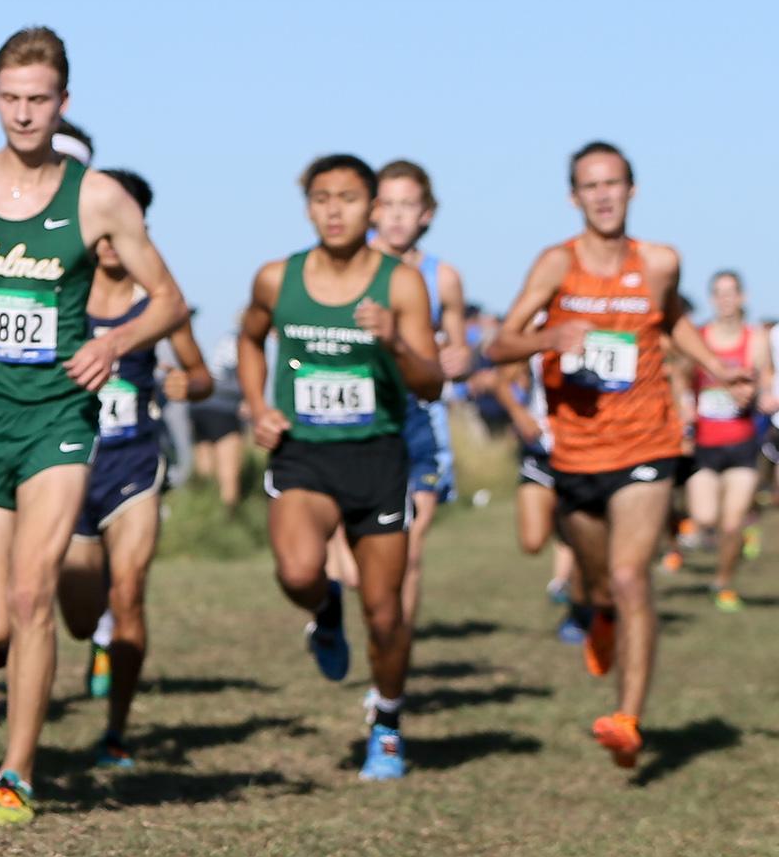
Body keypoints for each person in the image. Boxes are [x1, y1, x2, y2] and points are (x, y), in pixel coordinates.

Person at [0, 28, 188, 824]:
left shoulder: (97, 197)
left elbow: (168, 298)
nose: (25, 114)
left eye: (40, 100)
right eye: (13, 98)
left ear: (63, 104)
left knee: (32, 594)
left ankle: (16, 769)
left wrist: (115, 341)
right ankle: (22, 671)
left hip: (57, 416)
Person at [489, 142, 752, 770]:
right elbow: (500, 344)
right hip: (576, 451)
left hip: (645, 443)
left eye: (614, 184)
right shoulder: (556, 265)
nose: (603, 195)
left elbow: (672, 319)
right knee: (599, 581)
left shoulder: (659, 262)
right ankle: (595, 613)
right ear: (573, 197)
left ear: (632, 190)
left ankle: (627, 719)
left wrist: (719, 369)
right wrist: (552, 336)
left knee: (634, 577)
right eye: (590, 186)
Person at [239, 155, 443, 782]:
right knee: (298, 570)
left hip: (378, 456)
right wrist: (257, 406)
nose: (334, 210)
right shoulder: (279, 278)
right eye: (321, 197)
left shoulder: (400, 284)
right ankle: (324, 609)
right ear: (307, 206)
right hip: (305, 452)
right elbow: (249, 338)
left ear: (373, 207)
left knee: (384, 614)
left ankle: (386, 722)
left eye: (348, 198)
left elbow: (432, 383)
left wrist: (396, 341)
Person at [55, 170, 212, 766]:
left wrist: (188, 384)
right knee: (76, 611)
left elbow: (201, 375)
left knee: (130, 595)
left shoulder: (159, 302)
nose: (113, 245)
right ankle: (94, 639)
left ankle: (116, 731)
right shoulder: (63, 292)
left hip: (135, 464)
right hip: (69, 467)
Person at [369, 160, 473, 639]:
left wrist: (457, 359)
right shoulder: (351, 267)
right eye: (387, 205)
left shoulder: (443, 276)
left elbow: (460, 349)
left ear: (427, 213)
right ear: (371, 210)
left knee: (410, 549)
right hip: (362, 420)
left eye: (407, 205)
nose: (396, 216)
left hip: (423, 418)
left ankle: (394, 656)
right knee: (360, 563)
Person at [683, 270, 775, 610]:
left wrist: (759, 395)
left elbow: (766, 381)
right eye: (718, 293)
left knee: (732, 522)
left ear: (742, 298)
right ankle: (727, 539)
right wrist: (684, 406)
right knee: (704, 518)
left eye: (731, 292)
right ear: (711, 299)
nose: (725, 299)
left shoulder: (755, 340)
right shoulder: (699, 337)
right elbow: (680, 378)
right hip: (705, 444)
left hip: (742, 442)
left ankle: (723, 582)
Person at [489, 355, 590, 643]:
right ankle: (566, 535)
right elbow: (502, 381)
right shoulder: (537, 329)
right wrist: (519, 413)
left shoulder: (601, 318)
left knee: (583, 539)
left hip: (586, 450)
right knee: (532, 541)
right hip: (541, 450)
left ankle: (579, 613)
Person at [188, 324, 247, 508]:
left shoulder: (215, 338)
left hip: (198, 407)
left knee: (204, 470)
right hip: (224, 408)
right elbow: (244, 377)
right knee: (228, 474)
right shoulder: (244, 342)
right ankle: (225, 521)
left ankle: (203, 515)